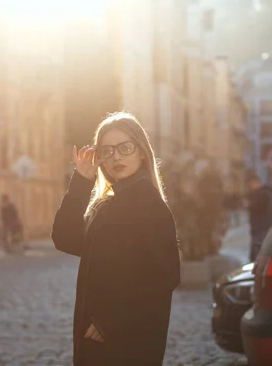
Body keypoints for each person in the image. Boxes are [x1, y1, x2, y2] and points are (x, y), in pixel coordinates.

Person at [51, 112, 181, 366]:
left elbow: (165, 276)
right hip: (98, 335)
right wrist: (80, 182)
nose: (116, 156)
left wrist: (108, 322)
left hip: (125, 341)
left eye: (125, 147)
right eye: (107, 151)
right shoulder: (110, 204)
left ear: (142, 151)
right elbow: (65, 239)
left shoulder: (150, 205)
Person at [245, 173, 272, 262]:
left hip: (261, 228)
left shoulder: (261, 194)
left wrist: (248, 206)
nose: (250, 187)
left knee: (259, 254)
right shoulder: (266, 193)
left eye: (250, 185)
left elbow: (258, 209)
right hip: (263, 227)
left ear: (253, 182)